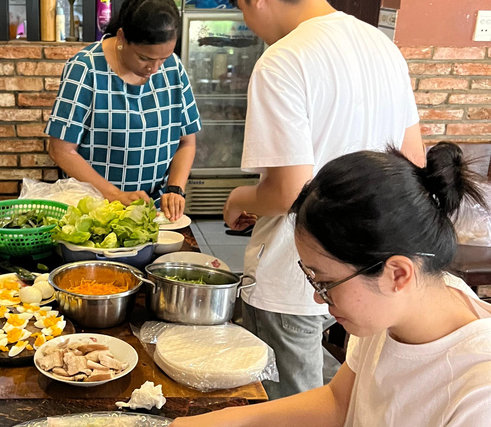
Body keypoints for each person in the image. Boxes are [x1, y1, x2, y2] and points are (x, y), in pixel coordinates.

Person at [221, 0, 425, 399]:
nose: (249, 24)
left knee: (292, 402)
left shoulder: (282, 60)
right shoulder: (383, 47)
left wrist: (239, 198)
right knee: (351, 393)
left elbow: (289, 191)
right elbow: (412, 160)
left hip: (296, 275)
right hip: (370, 273)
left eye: (241, 10)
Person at [173, 143, 491, 427]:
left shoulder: (478, 393)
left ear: (398, 274)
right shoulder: (397, 307)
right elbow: (340, 402)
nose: (317, 295)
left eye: (324, 281)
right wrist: (227, 421)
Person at [46, 0, 201, 221]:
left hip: (155, 211)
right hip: (96, 210)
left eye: (163, 58)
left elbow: (186, 141)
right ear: (121, 37)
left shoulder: (173, 68)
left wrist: (175, 188)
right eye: (144, 58)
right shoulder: (86, 68)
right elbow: (61, 150)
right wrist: (114, 195)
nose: (155, 68)